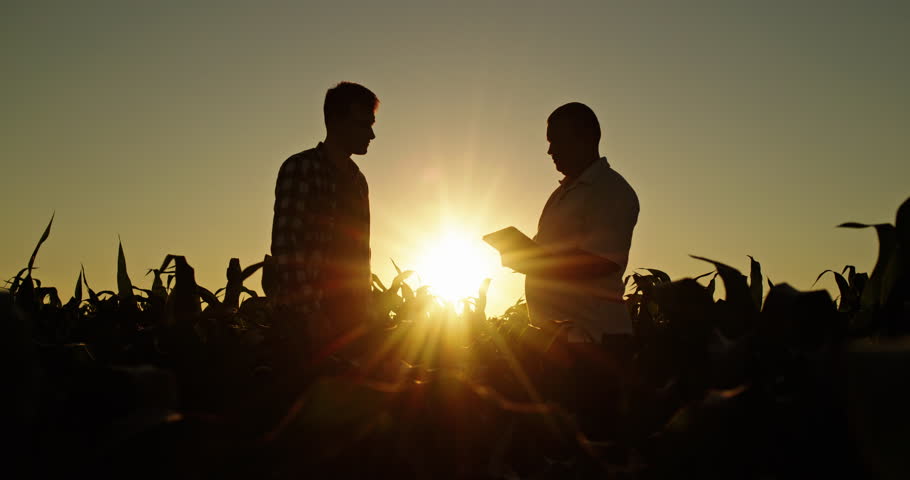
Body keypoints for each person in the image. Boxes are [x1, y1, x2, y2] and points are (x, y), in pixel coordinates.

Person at [501, 102, 640, 434]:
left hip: (594, 341)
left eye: (557, 140)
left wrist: (535, 262)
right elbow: (550, 257)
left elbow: (600, 262)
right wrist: (525, 259)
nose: (549, 151)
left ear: (588, 138)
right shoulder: (561, 195)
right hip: (559, 341)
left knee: (592, 439)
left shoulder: (611, 191)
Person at [270, 81, 378, 351]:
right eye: (364, 124)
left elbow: (361, 251)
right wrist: (310, 312)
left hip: (349, 319)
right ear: (337, 121)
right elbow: (287, 246)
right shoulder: (301, 168)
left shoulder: (358, 182)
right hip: (305, 320)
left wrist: (365, 310)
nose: (372, 134)